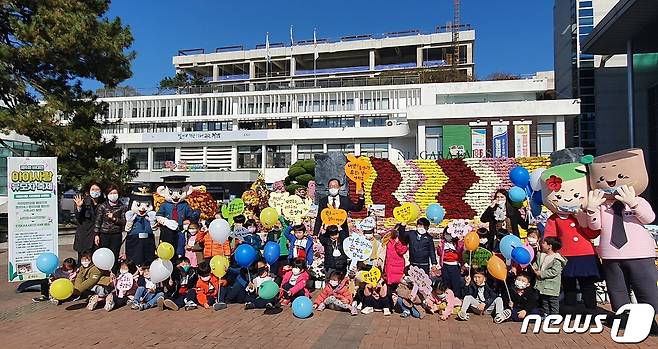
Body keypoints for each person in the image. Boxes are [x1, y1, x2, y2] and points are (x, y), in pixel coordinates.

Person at [531, 236, 566, 315]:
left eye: (544, 243)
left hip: (551, 285)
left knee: (553, 301)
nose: (542, 244)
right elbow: (537, 263)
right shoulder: (541, 255)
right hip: (542, 285)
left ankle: (554, 316)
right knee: (544, 301)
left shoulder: (557, 259)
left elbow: (554, 272)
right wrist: (535, 267)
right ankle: (546, 314)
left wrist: (541, 273)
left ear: (550, 246)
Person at [94, 184, 128, 261]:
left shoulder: (122, 207)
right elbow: (98, 221)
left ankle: (113, 271)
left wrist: (114, 219)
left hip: (116, 234)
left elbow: (123, 222)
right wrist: (96, 234)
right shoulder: (102, 206)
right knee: (104, 254)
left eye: (115, 193)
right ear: (107, 195)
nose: (113, 195)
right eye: (110, 193)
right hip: (104, 234)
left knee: (115, 254)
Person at [73, 182, 103, 262]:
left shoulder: (103, 203)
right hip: (84, 236)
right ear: (89, 191)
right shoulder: (83, 201)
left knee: (97, 260)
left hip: (98, 236)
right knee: (83, 261)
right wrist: (79, 207)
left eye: (97, 189)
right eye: (93, 189)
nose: (95, 191)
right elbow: (78, 217)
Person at [437, 227, 465, 298]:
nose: (448, 236)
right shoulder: (443, 243)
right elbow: (439, 253)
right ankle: (447, 298)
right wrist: (439, 247)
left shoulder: (456, 243)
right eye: (447, 234)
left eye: (450, 234)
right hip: (445, 265)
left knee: (456, 283)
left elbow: (460, 251)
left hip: (455, 265)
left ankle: (456, 298)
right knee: (446, 282)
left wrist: (460, 241)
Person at [384, 227, 408, 303]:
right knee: (389, 288)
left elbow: (401, 251)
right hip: (389, 267)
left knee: (398, 287)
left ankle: (397, 304)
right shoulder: (388, 240)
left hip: (398, 267)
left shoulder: (402, 241)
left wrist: (398, 242)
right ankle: (389, 305)